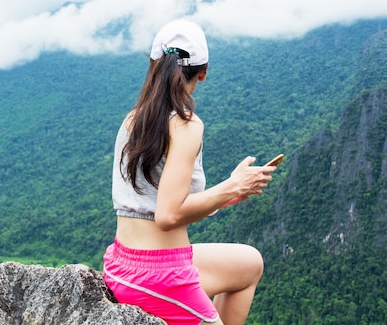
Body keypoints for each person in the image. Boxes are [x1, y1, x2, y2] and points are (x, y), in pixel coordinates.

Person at [103, 19, 277, 325]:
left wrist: (225, 194)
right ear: (203, 73)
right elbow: (168, 216)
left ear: (154, 65)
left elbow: (161, 198)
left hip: (123, 263)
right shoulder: (186, 125)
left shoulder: (134, 118)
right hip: (159, 276)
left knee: (250, 264)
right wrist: (233, 186)